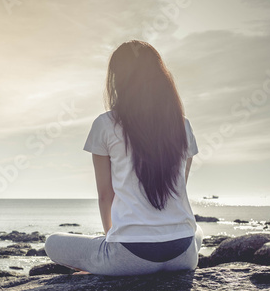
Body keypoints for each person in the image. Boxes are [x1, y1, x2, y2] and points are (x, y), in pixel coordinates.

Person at [44, 40, 203, 276]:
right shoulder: (183, 125)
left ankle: (102, 259)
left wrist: (111, 241)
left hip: (129, 258)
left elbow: (105, 196)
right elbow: (180, 187)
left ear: (118, 79)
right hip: (184, 255)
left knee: (52, 242)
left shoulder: (106, 124)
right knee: (198, 231)